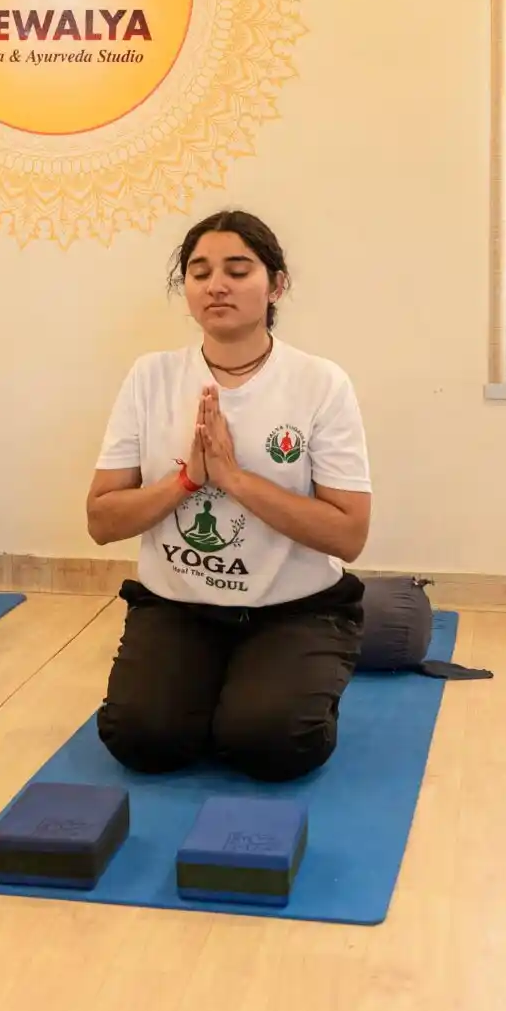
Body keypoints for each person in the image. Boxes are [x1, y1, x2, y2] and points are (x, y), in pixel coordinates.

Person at [86, 210, 373, 782]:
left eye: (238, 271)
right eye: (199, 272)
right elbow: (102, 520)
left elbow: (348, 534)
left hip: (293, 609)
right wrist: (187, 481)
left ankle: (280, 679)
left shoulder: (319, 383)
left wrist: (234, 478)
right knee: (142, 740)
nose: (216, 285)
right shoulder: (150, 377)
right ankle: (217, 685)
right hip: (178, 607)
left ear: (276, 285)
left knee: (272, 745)